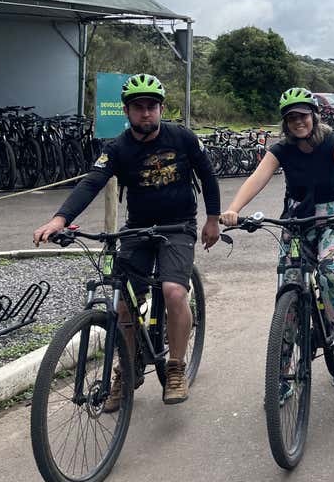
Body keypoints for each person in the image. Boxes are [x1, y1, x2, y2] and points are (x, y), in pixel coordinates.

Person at [33, 73, 221, 409]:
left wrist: (213, 219)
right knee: (122, 302)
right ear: (127, 111)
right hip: (136, 229)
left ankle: (175, 368)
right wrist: (60, 219)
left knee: (173, 291)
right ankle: (128, 369)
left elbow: (207, 175)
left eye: (151, 106)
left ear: (161, 109)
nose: (145, 113)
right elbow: (91, 182)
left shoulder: (182, 137)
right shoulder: (118, 148)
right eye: (138, 107)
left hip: (177, 226)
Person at [220, 87, 334, 388]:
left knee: (330, 271)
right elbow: (257, 178)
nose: (298, 122)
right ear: (285, 123)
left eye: (303, 115)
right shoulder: (282, 149)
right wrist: (234, 210)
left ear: (314, 116)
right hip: (298, 221)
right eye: (291, 118)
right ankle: (282, 377)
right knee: (288, 285)